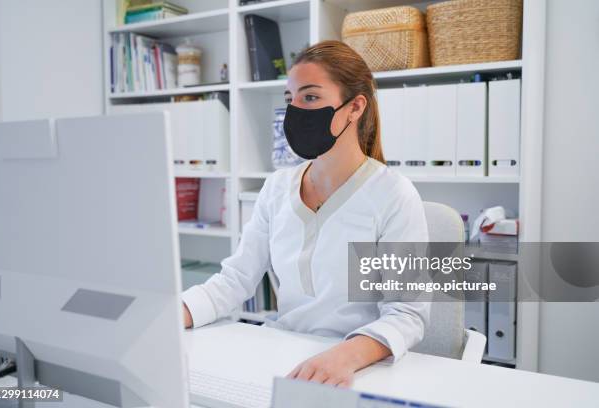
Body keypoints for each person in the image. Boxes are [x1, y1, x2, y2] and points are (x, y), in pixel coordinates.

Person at [181, 40, 429, 387]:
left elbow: (407, 313)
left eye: (309, 97)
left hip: (359, 366)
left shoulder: (393, 195)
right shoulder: (276, 188)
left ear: (355, 107)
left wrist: (345, 356)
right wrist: (175, 314)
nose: (294, 111)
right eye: (289, 99)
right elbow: (235, 280)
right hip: (285, 355)